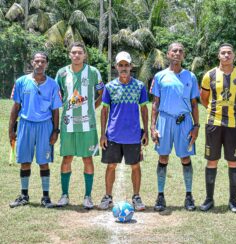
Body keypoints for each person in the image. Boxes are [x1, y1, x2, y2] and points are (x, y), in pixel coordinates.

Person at [199, 43, 236, 212]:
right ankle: (208, 199)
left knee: (233, 161)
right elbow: (204, 98)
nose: (226, 55)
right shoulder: (210, 75)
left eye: (229, 53)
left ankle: (233, 201)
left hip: (233, 125)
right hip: (213, 124)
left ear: (234, 55)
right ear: (218, 56)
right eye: (223, 53)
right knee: (212, 160)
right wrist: (213, 111)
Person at [150, 42, 200, 211]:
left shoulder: (190, 77)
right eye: (174, 51)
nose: (177, 53)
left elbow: (194, 104)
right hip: (164, 120)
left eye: (180, 51)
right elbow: (155, 104)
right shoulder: (160, 76)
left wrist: (196, 126)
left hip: (184, 121)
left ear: (183, 55)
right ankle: (160, 195)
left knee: (185, 158)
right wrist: (152, 126)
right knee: (163, 157)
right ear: (168, 54)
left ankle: (188, 195)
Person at [9, 52, 62, 208]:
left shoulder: (53, 84)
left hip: (45, 126)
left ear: (46, 64)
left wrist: (55, 131)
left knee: (44, 162)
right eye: (37, 61)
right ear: (32, 62)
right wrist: (11, 129)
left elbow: (55, 110)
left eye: (43, 61)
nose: (39, 64)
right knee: (25, 161)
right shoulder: (21, 82)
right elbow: (16, 106)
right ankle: (24, 195)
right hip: (25, 124)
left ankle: (45, 197)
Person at [55, 42, 104, 209]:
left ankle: (88, 197)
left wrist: (92, 107)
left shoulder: (93, 72)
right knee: (67, 157)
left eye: (79, 53)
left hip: (87, 124)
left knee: (87, 158)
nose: (76, 55)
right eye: (73, 52)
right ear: (69, 54)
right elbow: (57, 95)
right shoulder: (61, 73)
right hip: (68, 124)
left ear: (85, 55)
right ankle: (64, 195)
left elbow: (101, 93)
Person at [98, 51, 149, 211]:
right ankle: (107, 197)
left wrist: (145, 131)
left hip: (133, 135)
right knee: (111, 166)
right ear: (116, 67)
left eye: (126, 65)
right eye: (121, 65)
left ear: (131, 66)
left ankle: (136, 196)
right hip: (113, 135)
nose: (124, 68)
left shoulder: (139, 86)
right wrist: (103, 134)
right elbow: (104, 111)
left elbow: (144, 109)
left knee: (135, 166)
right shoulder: (110, 87)